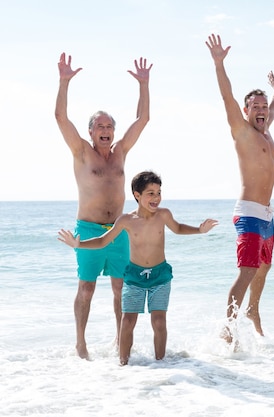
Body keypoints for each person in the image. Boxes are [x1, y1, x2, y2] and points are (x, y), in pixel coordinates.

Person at [58, 171, 218, 365]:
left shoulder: (164, 215)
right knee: (128, 322)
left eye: (158, 192)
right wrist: (79, 244)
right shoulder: (126, 220)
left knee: (159, 321)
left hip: (160, 275)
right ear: (137, 195)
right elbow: (103, 241)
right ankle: (123, 365)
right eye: (150, 193)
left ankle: (162, 363)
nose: (156, 198)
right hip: (134, 277)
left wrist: (199, 230)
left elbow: (178, 228)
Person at [55, 52, 152, 359]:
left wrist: (144, 85)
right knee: (86, 289)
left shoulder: (121, 152)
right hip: (88, 230)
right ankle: (80, 343)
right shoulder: (81, 152)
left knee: (120, 290)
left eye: (110, 125)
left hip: (119, 230)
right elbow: (60, 118)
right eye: (100, 125)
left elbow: (143, 119)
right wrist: (64, 82)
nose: (106, 129)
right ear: (91, 132)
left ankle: (119, 341)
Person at [205, 33, 274, 342]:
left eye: (264, 106)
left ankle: (253, 309)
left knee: (263, 268)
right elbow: (227, 97)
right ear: (247, 111)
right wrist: (219, 63)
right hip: (248, 213)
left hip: (267, 214)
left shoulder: (266, 131)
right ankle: (228, 326)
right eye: (255, 106)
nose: (262, 110)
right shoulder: (244, 133)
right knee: (247, 270)